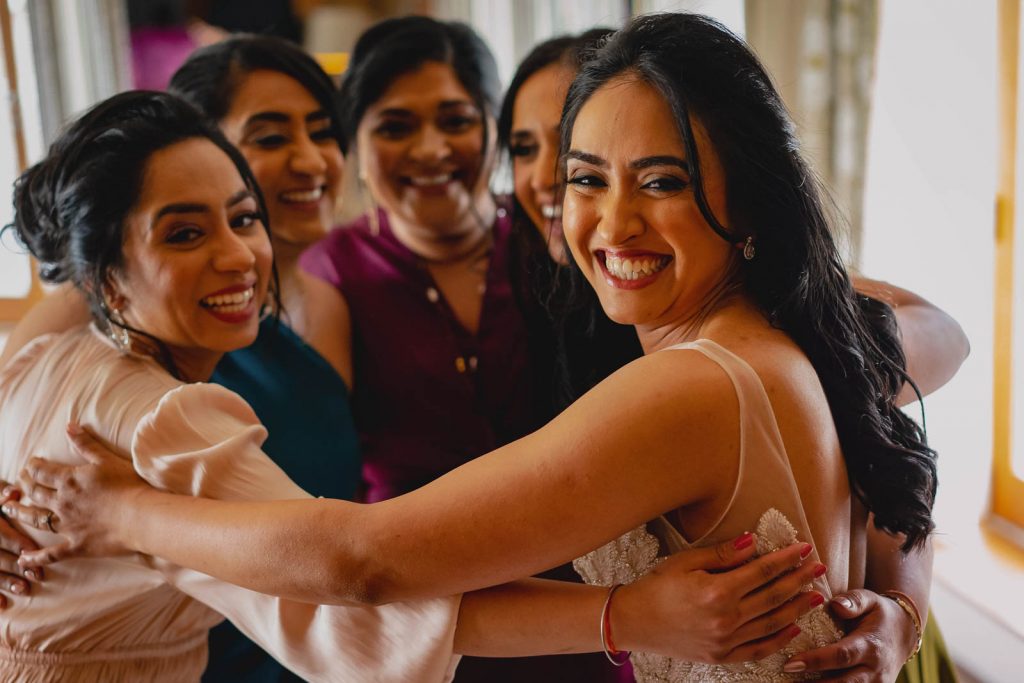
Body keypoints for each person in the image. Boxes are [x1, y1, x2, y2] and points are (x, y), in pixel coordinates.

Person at [18, 12, 945, 682]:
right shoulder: (743, 341)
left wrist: (120, 513)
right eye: (582, 177)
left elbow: (361, 559)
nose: (610, 218)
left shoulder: (701, 377)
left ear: (749, 201)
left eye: (663, 180)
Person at [0, 35, 362, 682]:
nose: (310, 159)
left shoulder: (331, 304)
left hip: (324, 636)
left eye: (321, 130)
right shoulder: (92, 313)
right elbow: (24, 424)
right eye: (272, 137)